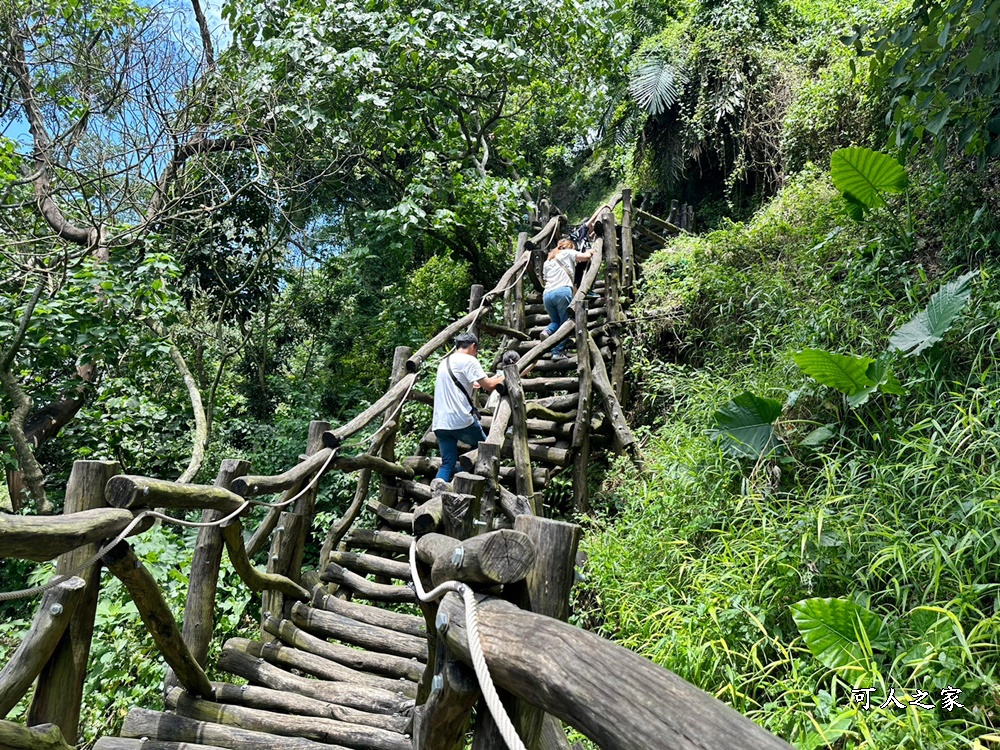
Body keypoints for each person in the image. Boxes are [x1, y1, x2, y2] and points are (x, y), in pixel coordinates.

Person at [432, 332, 504, 483]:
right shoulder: (469, 360)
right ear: (473, 346)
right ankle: (460, 480)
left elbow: (460, 382)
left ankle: (437, 490)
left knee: (447, 464)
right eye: (476, 350)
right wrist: (507, 374)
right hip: (460, 420)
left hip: (440, 423)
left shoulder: (444, 362)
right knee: (484, 449)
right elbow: (490, 386)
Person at [541, 238, 594, 359]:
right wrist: (591, 251)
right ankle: (557, 352)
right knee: (566, 323)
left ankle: (547, 332)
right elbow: (584, 257)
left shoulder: (548, 261)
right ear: (569, 246)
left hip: (547, 295)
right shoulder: (568, 252)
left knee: (555, 321)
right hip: (562, 292)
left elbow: (545, 279)